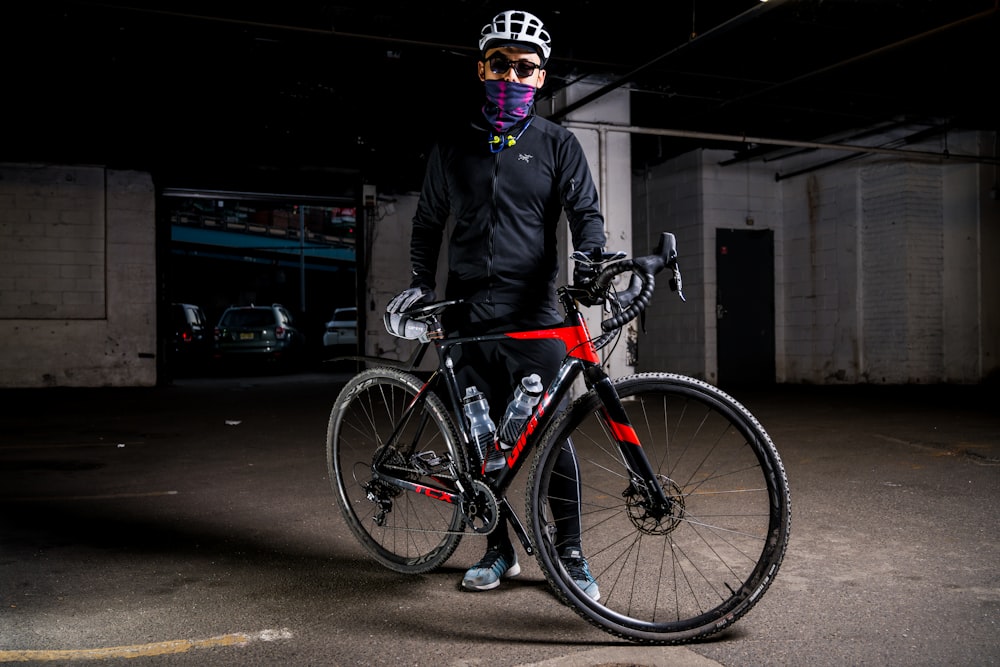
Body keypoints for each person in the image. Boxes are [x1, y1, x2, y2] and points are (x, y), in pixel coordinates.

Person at [385, 9, 605, 600]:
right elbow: (428, 222)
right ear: (482, 69)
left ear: (541, 78)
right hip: (465, 316)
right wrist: (418, 284)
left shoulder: (558, 144)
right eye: (499, 64)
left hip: (534, 314)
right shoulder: (452, 145)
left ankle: (572, 557)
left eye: (525, 67)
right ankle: (497, 549)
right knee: (480, 437)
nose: (511, 75)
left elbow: (586, 213)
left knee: (551, 434)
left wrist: (591, 258)